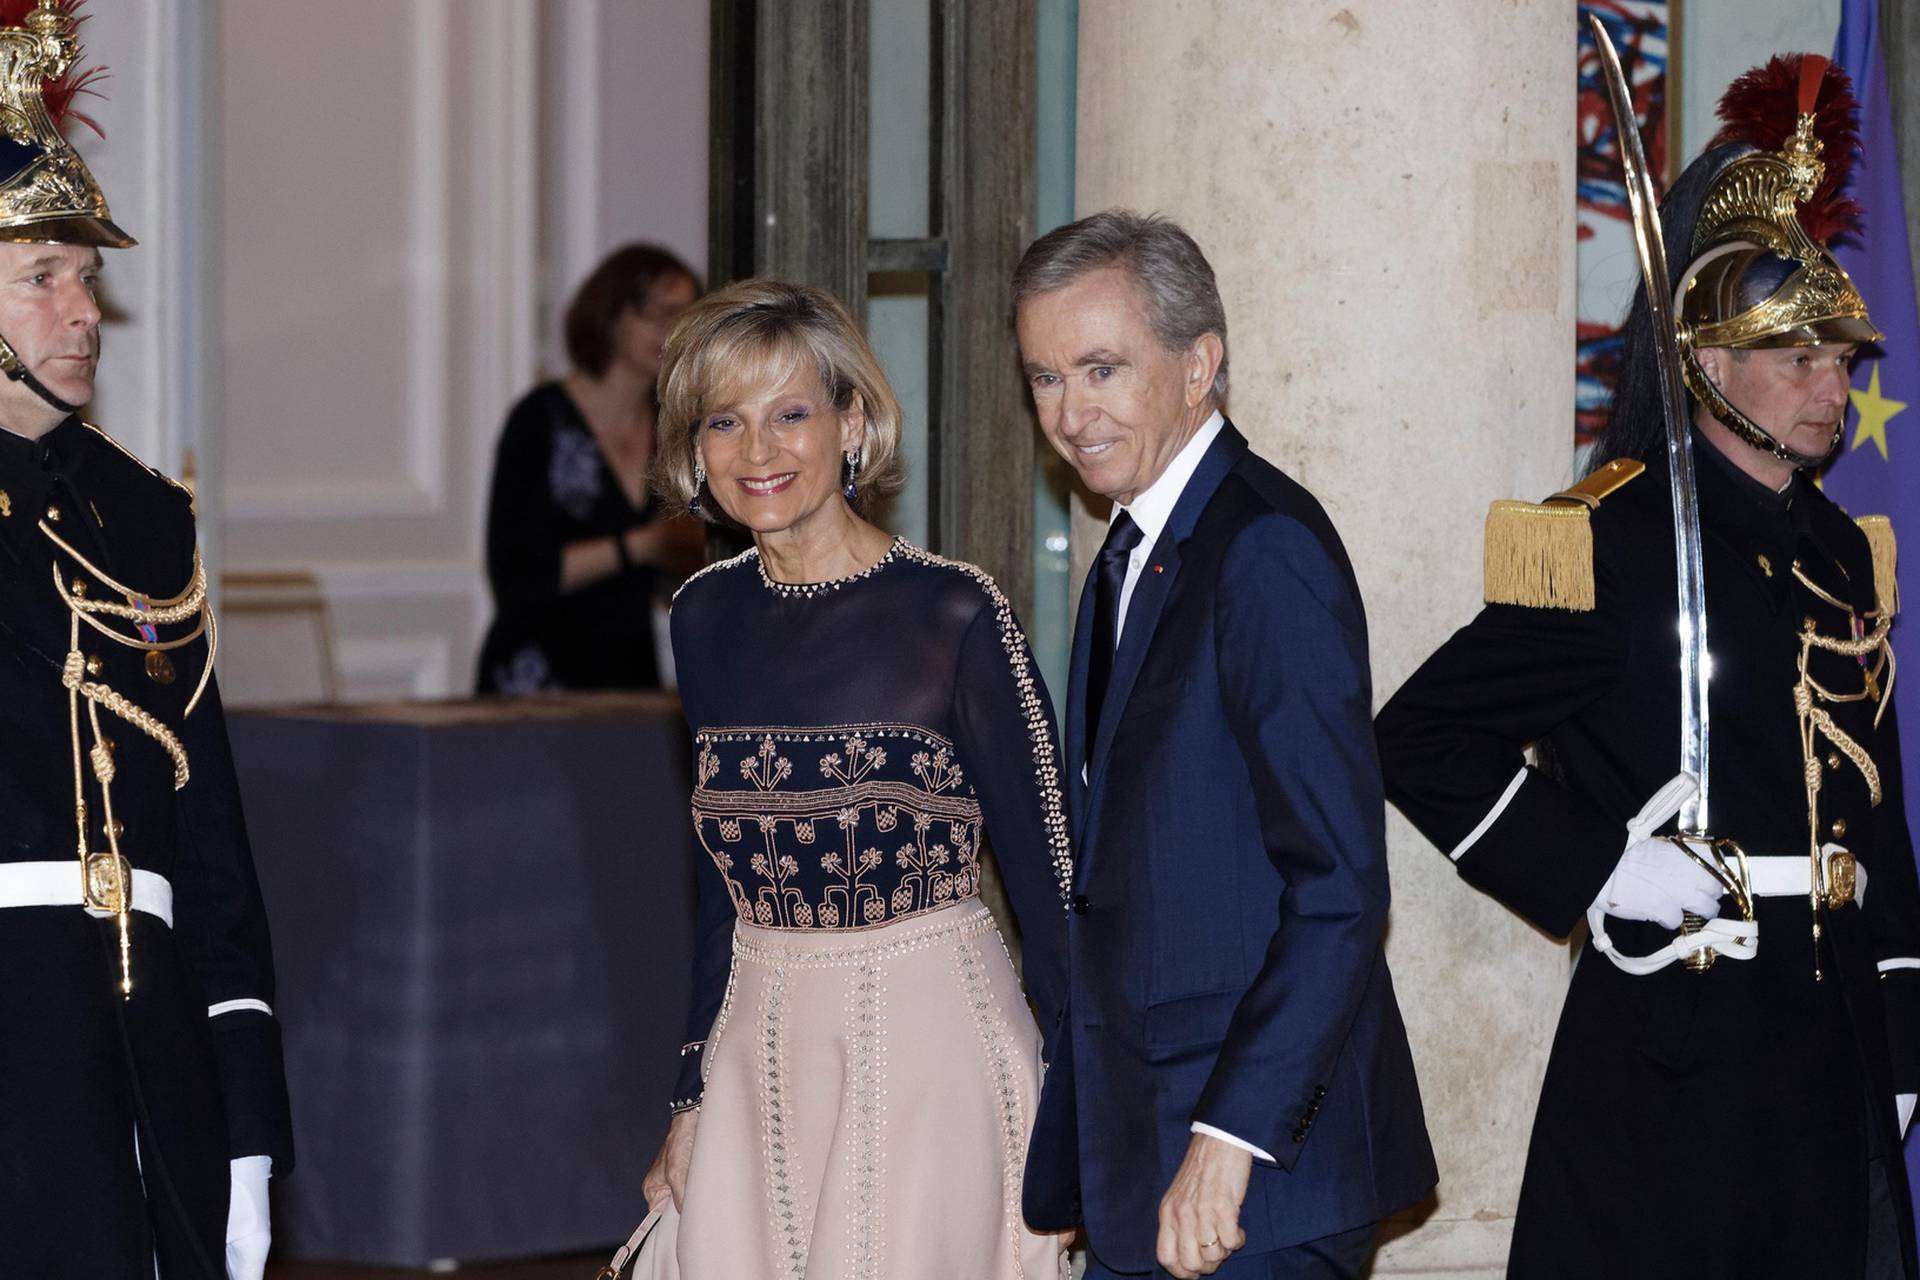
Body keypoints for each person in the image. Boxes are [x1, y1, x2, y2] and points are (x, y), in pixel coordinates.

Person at [1375, 55, 1920, 1279]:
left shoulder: (1840, 548)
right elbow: (1418, 736)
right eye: (1799, 357)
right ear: (1709, 362)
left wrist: (1902, 1019)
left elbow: (1871, 808)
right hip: (1677, 1043)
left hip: (1834, 1041)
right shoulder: (1607, 540)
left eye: (1842, 357)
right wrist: (1599, 863)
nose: (1835, 386)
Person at [1012, 210, 1435, 1280]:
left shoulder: (1262, 547)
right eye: (1045, 378)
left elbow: (1339, 884)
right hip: (1144, 1155)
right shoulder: (1132, 550)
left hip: (1253, 1177)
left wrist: (1228, 1136)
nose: (1071, 411)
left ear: (1200, 364)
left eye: (1101, 368)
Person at [638, 278, 1072, 1276]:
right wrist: (691, 1092)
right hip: (757, 1047)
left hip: (930, 1048)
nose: (760, 451)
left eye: (792, 412)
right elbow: (717, 887)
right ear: (693, 450)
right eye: (725, 421)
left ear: (853, 420)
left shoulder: (954, 613)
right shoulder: (701, 617)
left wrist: (1083, 1120)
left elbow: (1056, 891)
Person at [0, 4, 292, 1277]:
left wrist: (248, 1119)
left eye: (90, 276)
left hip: (148, 1045)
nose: (84, 311)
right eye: (41, 277)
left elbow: (212, 845)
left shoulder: (142, 516)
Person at [476, 243, 706, 693]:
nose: (671, 329)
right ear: (610, 314)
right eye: (655, 312)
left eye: (685, 316)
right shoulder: (539, 419)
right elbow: (517, 577)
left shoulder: (678, 427)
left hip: (630, 677)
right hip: (537, 678)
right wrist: (643, 545)